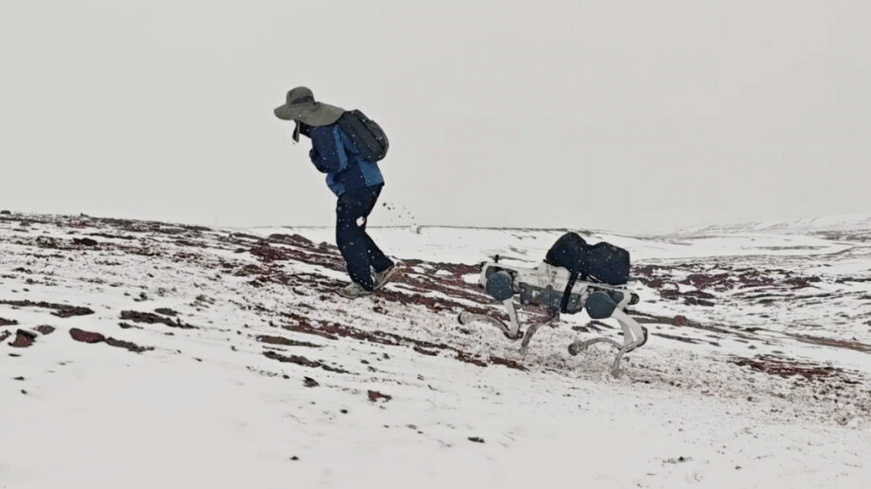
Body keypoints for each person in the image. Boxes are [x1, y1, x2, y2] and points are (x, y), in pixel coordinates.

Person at [274, 86, 400, 299]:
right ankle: (382, 267)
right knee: (352, 230)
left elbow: (334, 163)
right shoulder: (331, 119)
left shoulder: (322, 127)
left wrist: (315, 157)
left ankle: (362, 283)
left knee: (346, 234)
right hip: (369, 182)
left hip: (357, 185)